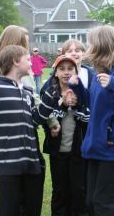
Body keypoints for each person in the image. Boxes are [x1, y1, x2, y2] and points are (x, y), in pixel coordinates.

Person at [69, 25, 114, 216]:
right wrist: (76, 89)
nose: (88, 47)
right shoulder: (100, 71)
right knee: (92, 202)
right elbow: (95, 104)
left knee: (105, 205)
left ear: (102, 45)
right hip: (97, 146)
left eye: (91, 43)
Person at [0, 45, 45, 216]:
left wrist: (54, 102)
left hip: (30, 161)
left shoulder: (28, 91)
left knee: (30, 207)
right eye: (27, 59)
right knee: (7, 209)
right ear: (15, 61)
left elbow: (35, 120)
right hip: (7, 163)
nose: (31, 63)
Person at [38, 55, 89, 216]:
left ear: (77, 71)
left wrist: (77, 105)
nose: (66, 73)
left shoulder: (83, 92)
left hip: (78, 150)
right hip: (57, 149)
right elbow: (43, 117)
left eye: (70, 69)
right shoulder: (49, 92)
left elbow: (89, 118)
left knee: (78, 188)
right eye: (62, 69)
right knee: (59, 189)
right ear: (55, 73)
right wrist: (61, 103)